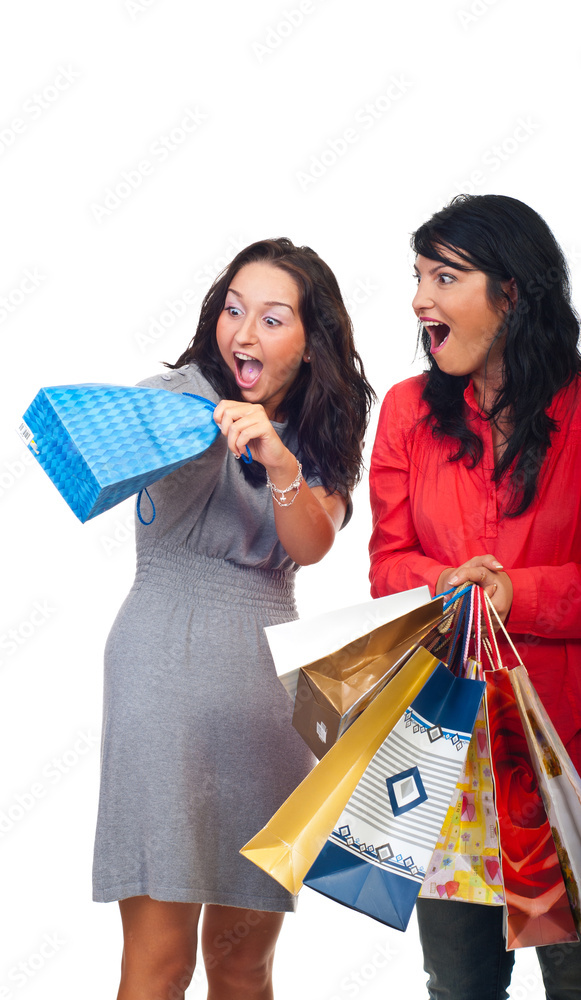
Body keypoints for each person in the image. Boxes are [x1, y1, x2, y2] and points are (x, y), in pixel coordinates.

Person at [93, 237, 373, 999]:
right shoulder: (173, 399)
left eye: (271, 318)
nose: (242, 333)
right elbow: (107, 456)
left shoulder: (319, 439)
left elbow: (309, 546)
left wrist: (281, 463)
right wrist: (170, 429)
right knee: (159, 959)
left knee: (243, 958)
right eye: (232, 309)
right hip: (160, 673)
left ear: (311, 344)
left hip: (263, 697)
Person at [369, 193, 581, 999]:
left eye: (445, 276)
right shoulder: (405, 413)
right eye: (419, 276)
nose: (421, 299)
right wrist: (442, 584)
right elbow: (388, 564)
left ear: (512, 292)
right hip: (446, 755)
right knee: (457, 986)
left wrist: (511, 593)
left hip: (564, 750)